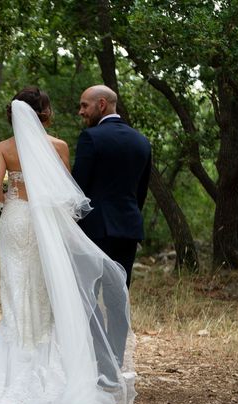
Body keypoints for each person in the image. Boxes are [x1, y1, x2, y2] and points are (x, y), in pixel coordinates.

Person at [0, 87, 168, 404]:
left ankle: (19, 356)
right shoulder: (65, 145)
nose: (77, 110)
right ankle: (88, 371)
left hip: (16, 222)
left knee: (17, 290)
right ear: (45, 114)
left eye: (84, 105)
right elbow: (71, 193)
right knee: (60, 290)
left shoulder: (5, 147)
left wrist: (12, 200)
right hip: (58, 226)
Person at [73, 85, 151, 381]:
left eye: (84, 106)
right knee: (118, 299)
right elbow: (139, 193)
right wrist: (127, 219)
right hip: (128, 229)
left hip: (94, 230)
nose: (81, 112)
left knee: (86, 297)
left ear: (101, 104)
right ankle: (114, 365)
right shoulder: (141, 141)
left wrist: (71, 229)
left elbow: (78, 190)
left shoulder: (91, 138)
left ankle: (103, 364)